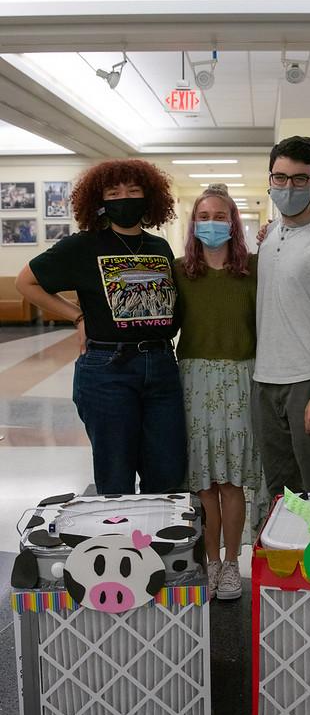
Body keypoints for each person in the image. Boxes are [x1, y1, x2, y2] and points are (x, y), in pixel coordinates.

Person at [16, 158, 186, 495]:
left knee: (168, 473)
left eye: (133, 190)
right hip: (109, 369)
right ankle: (122, 546)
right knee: (115, 475)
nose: (124, 198)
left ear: (148, 197)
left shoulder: (159, 247)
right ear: (100, 200)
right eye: (114, 192)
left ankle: (156, 544)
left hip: (162, 366)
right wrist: (77, 316)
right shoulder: (83, 245)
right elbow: (27, 283)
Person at [175, 184, 260, 600]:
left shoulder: (254, 270)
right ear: (194, 223)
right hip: (193, 381)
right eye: (204, 216)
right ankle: (208, 563)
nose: (212, 223)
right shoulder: (179, 271)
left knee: (232, 482)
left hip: (240, 381)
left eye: (220, 216)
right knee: (204, 483)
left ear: (233, 223)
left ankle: (231, 564)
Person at [252, 136, 310, 501]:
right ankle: (286, 558)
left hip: (307, 384)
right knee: (280, 491)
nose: (287, 186)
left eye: (299, 179)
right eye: (280, 177)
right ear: (270, 178)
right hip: (264, 382)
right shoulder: (269, 234)